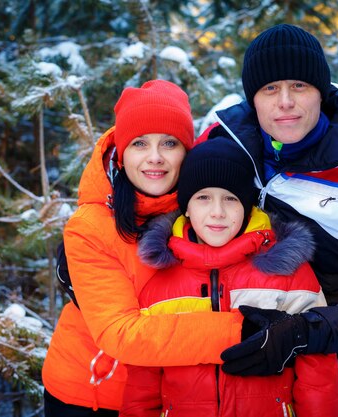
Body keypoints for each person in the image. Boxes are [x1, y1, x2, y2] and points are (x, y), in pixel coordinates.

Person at [202, 24, 338, 417]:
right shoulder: (223, 144)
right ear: (252, 97)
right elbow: (155, 184)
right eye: (270, 88)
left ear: (321, 92)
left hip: (325, 376)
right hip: (218, 371)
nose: (285, 101)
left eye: (299, 86)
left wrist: (302, 332)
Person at [41, 80, 243, 416]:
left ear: (186, 150)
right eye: (139, 143)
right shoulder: (90, 226)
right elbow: (122, 333)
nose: (155, 158)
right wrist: (243, 331)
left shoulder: (203, 209)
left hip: (170, 395)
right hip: (93, 396)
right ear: (121, 153)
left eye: (169, 143)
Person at [120, 138, 338, 417]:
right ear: (186, 207)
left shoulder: (289, 274)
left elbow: (318, 374)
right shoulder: (159, 280)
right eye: (203, 198)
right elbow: (143, 381)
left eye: (230, 199)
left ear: (247, 206)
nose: (217, 212)